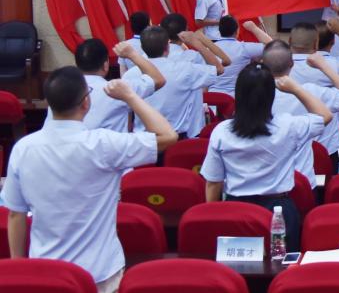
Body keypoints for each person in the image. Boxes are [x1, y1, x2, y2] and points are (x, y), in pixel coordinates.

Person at [2, 67, 177, 292]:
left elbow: (15, 214)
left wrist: (19, 266)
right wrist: (130, 96)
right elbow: (168, 136)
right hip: (100, 273)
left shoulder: (23, 148)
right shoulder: (104, 144)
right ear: (86, 103)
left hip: (47, 272)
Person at [200, 63, 333, 252]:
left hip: (235, 209)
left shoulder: (221, 131)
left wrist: (214, 217)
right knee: (281, 264)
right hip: (278, 211)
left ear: (238, 95)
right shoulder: (288, 126)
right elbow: (325, 115)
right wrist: (295, 89)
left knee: (236, 263)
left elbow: (214, 183)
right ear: (272, 95)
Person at [263, 41, 339, 188]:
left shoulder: (253, 94)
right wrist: (324, 66)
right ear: (292, 64)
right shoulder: (310, 91)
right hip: (307, 174)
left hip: (267, 176)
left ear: (262, 64)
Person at [48, 38, 166, 132]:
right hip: (111, 153)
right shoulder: (118, 89)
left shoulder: (59, 91)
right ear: (105, 65)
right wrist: (132, 54)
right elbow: (158, 79)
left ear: (76, 64)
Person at [288, 21, 339, 160]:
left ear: (290, 41)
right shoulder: (331, 65)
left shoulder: (277, 66)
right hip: (327, 145)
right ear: (316, 44)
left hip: (288, 145)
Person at [139, 26, 221, 138]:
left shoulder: (130, 75)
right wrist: (197, 43)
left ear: (142, 48)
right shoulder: (185, 69)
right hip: (178, 137)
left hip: (143, 139)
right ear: (167, 47)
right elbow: (219, 68)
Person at [208, 15, 265, 96]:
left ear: (219, 30)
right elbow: (274, 47)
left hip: (212, 98)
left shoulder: (208, 49)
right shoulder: (244, 48)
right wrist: (254, 28)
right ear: (237, 30)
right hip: (237, 99)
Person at [160, 12, 232, 68]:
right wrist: (201, 39)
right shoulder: (191, 56)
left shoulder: (157, 53)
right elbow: (225, 61)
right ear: (186, 29)